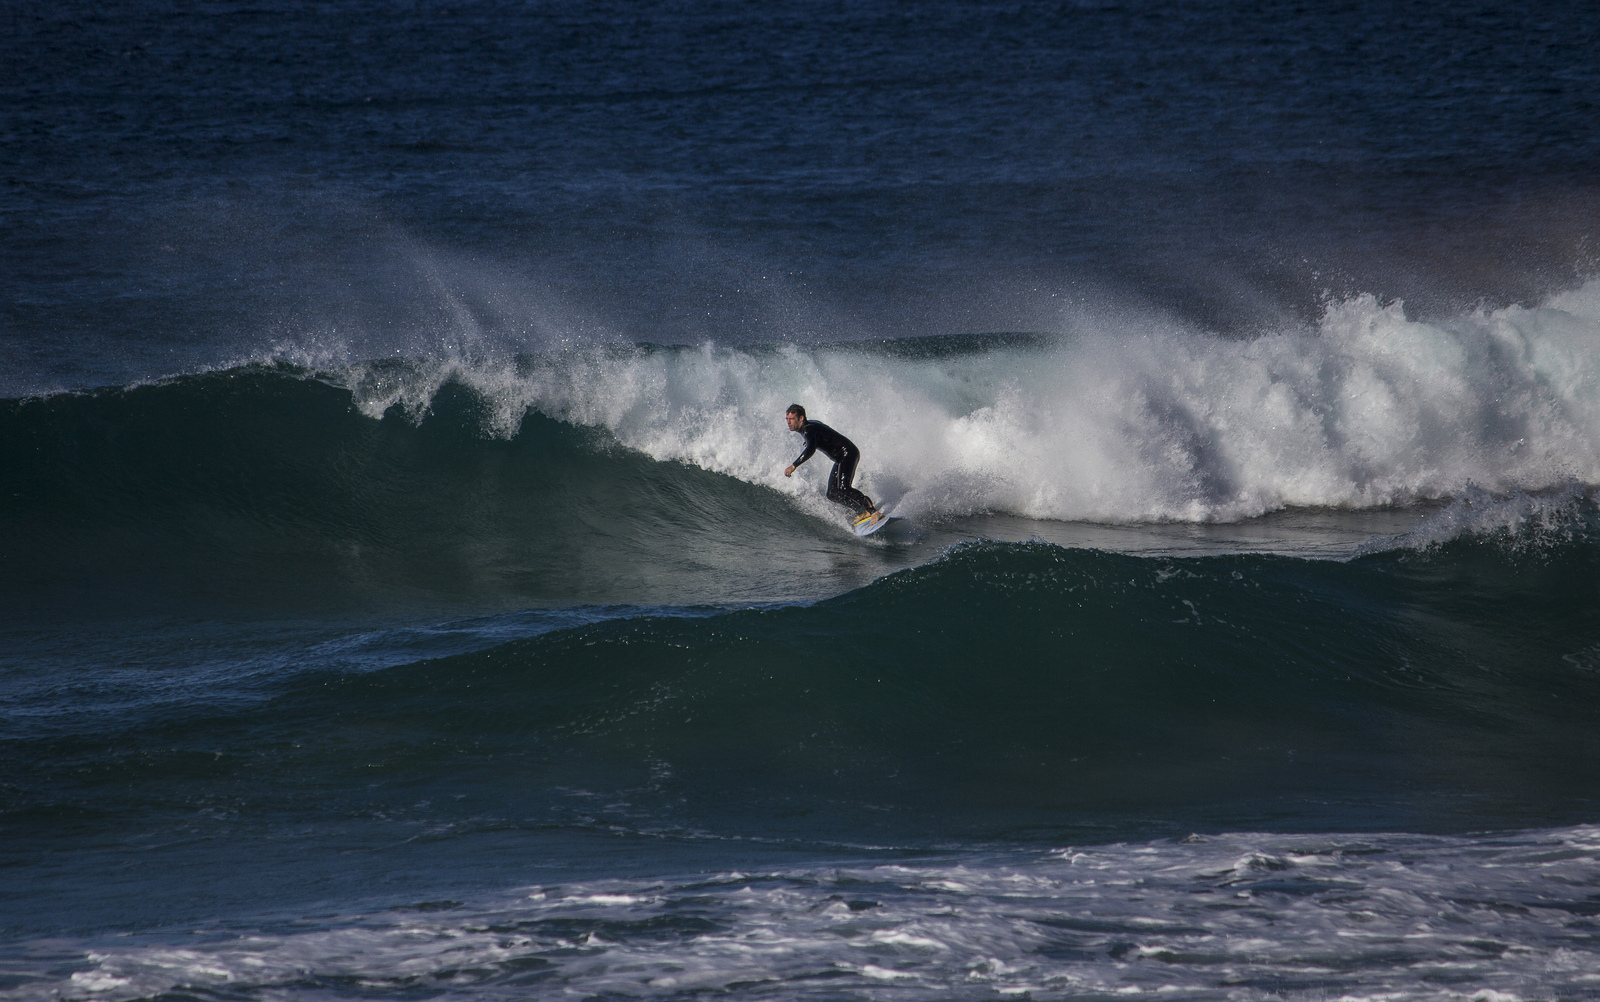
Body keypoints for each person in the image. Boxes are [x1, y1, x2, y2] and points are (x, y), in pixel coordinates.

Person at [783, 404, 884, 527]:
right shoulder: (811, 427)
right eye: (787, 419)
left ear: (801, 418)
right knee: (832, 493)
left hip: (848, 453)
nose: (788, 422)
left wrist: (793, 466)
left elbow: (811, 449)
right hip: (841, 458)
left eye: (791, 419)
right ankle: (861, 511)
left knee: (844, 488)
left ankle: (874, 512)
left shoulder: (808, 429)